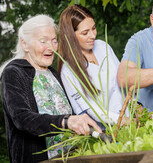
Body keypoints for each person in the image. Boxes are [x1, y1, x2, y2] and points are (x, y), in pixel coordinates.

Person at [0, 14, 102, 163]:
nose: (51, 47)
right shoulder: (14, 72)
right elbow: (22, 119)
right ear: (25, 44)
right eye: (43, 41)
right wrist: (66, 122)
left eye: (54, 41)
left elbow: (66, 109)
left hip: (68, 157)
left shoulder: (52, 72)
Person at [58, 5, 130, 130]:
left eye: (94, 28)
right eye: (85, 33)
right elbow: (90, 110)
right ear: (71, 36)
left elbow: (123, 79)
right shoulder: (68, 70)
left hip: (129, 118)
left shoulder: (103, 46)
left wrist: (135, 104)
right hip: (105, 132)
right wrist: (121, 120)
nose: (93, 35)